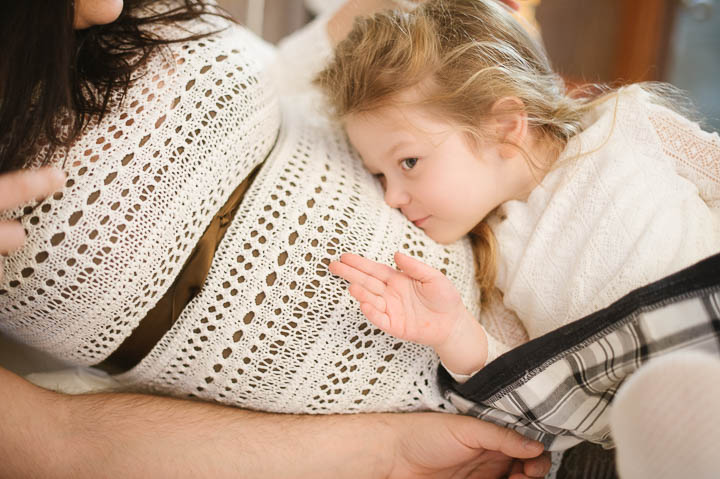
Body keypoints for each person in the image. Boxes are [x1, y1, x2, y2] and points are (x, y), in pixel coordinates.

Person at [0, 0, 551, 477]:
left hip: (525, 263)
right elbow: (56, 445)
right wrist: (387, 454)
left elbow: (295, 74)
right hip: (469, 416)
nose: (106, 8)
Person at [320, 0, 720, 379]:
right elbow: (524, 376)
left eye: (408, 162)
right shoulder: (492, 260)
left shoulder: (627, 127)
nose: (391, 198)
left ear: (505, 127)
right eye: (380, 176)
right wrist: (454, 333)